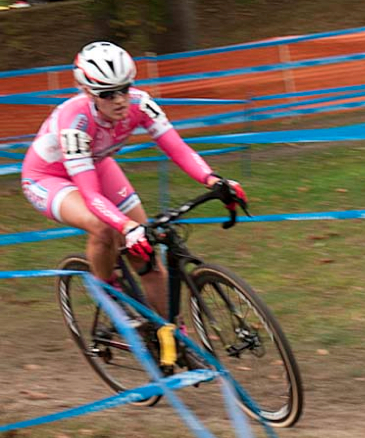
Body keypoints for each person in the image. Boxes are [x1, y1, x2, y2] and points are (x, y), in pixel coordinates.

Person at [20, 41, 246, 316]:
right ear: (87, 91)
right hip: (47, 177)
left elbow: (177, 148)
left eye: (124, 89)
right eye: (108, 94)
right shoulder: (75, 121)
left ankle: (171, 338)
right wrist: (126, 226)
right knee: (103, 228)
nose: (119, 100)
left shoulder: (141, 104)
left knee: (147, 253)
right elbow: (90, 194)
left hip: (96, 164)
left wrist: (213, 180)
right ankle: (110, 294)